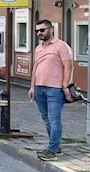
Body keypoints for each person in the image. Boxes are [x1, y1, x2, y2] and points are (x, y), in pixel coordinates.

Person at [29, 20, 74, 161]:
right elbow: (36, 68)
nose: (39, 33)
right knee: (46, 119)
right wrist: (32, 87)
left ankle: (51, 150)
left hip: (55, 89)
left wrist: (65, 86)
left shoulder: (61, 46)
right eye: (37, 31)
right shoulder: (38, 48)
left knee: (54, 120)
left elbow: (69, 67)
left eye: (42, 30)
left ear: (51, 29)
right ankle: (55, 145)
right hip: (39, 88)